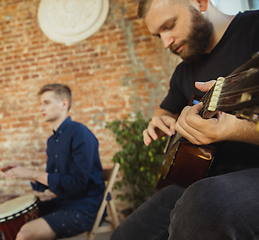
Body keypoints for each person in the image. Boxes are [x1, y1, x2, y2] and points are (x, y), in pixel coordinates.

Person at [110, 0, 259, 239]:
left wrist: (235, 129)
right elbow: (164, 112)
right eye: (158, 34)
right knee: (126, 234)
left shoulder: (254, 28)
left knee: (201, 207)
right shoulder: (183, 72)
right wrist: (159, 121)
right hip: (202, 176)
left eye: (169, 26)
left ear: (200, 2)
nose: (165, 42)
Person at [1, 83, 105, 240]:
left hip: (84, 208)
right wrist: (25, 173)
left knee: (25, 233)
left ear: (64, 104)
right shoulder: (52, 141)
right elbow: (51, 179)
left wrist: (33, 173)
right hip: (62, 203)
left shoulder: (80, 133)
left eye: (47, 103)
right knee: (13, 221)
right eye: (41, 104)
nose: (41, 108)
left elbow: (76, 183)